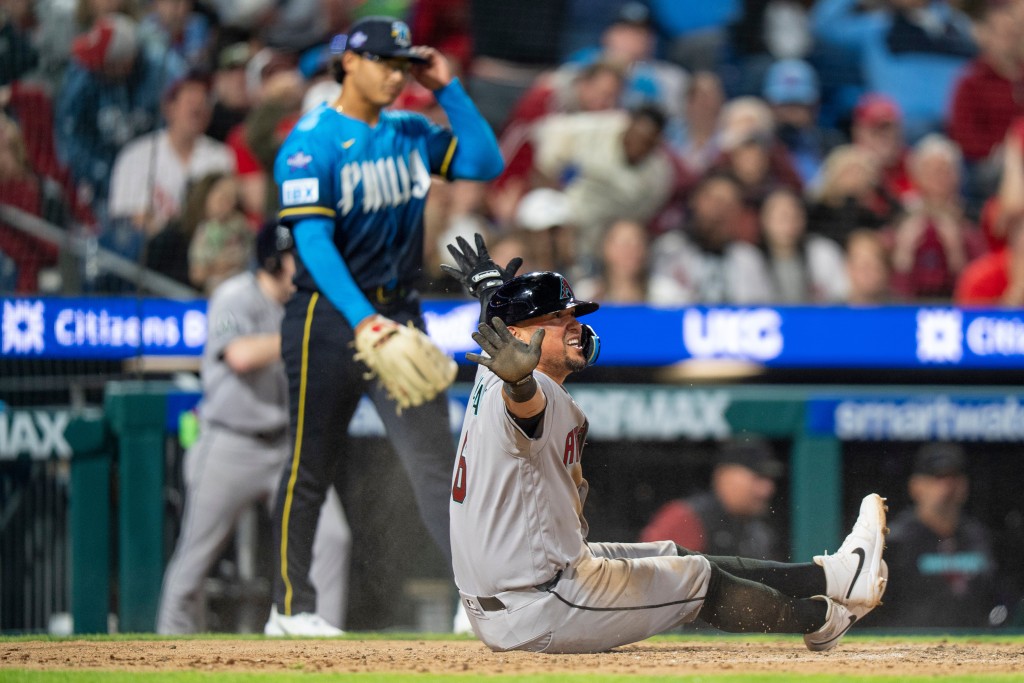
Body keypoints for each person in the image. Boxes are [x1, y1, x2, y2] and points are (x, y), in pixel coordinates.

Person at [444, 255, 889, 654]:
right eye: (558, 317)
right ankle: (823, 620)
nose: (574, 324)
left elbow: (509, 353)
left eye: (572, 314)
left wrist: (489, 293)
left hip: (514, 595)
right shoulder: (531, 387)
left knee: (672, 552)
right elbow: (525, 409)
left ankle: (836, 576)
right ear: (518, 335)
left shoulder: (494, 366)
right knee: (695, 579)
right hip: (539, 604)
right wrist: (520, 384)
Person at [264, 16, 503, 636]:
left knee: (435, 463)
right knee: (309, 463)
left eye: (404, 65)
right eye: (386, 63)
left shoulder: (410, 130)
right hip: (327, 316)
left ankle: (474, 597)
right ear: (350, 62)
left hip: (399, 311)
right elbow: (313, 244)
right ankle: (289, 609)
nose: (396, 75)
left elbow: (484, 159)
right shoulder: (309, 140)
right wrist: (364, 320)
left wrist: (447, 89)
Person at [157, 222, 351, 635]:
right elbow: (241, 355)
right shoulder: (235, 296)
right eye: (294, 259)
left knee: (332, 539)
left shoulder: (305, 303)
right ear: (271, 260)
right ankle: (167, 655)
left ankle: (328, 649)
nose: (303, 266)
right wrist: (304, 333)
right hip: (231, 444)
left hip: (285, 448)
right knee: (194, 562)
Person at [871, 443, 1001, 628]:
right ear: (915, 486)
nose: (947, 486)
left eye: (953, 477)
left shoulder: (978, 536)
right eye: (937, 477)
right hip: (909, 648)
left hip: (975, 647)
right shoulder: (895, 539)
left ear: (964, 484)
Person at [639, 438, 786, 561]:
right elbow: (648, 580)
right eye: (757, 477)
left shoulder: (758, 532)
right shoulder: (686, 518)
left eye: (769, 480)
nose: (767, 489)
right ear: (724, 476)